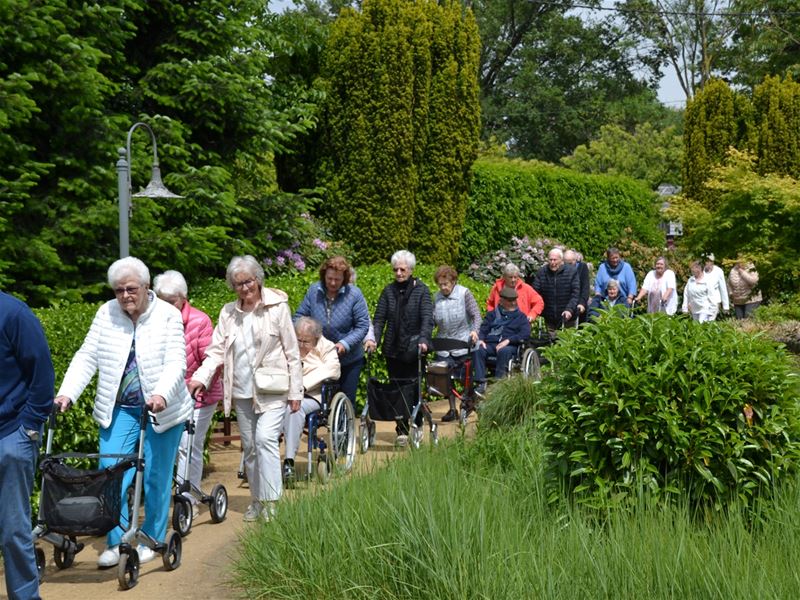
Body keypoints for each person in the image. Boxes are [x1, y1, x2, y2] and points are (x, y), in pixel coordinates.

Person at [54, 257, 192, 568]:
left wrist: (161, 393)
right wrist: (67, 393)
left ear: (146, 287)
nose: (125, 295)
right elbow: (88, 355)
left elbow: (176, 362)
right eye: (119, 290)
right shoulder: (106, 313)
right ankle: (117, 542)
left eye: (131, 289)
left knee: (156, 476)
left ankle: (149, 538)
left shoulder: (167, 315)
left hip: (162, 409)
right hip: (119, 408)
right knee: (111, 474)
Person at [188, 255, 303, 522]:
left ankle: (272, 502)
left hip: (273, 390)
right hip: (241, 392)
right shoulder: (228, 313)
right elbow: (216, 351)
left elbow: (293, 352)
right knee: (250, 448)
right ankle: (257, 499)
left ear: (258, 280)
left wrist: (296, 391)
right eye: (238, 283)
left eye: (248, 281)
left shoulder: (277, 307)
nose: (244, 288)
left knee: (265, 440)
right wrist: (201, 377)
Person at [153, 270, 223, 518]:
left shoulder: (200, 321)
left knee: (188, 445)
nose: (166, 305)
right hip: (169, 394)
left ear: (183, 298)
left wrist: (198, 382)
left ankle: (187, 497)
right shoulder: (154, 321)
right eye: (161, 300)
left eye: (171, 301)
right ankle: (177, 492)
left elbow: (210, 359)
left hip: (199, 394)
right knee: (169, 445)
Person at [0, 292, 54, 600]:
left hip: (11, 434)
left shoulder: (14, 314)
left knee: (12, 529)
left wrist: (29, 426)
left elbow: (42, 372)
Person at [368, 250, 433, 445]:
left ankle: (418, 424)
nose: (398, 273)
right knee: (396, 388)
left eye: (402, 269)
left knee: (413, 389)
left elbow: (427, 319)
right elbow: (379, 319)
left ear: (411, 270)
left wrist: (424, 340)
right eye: (395, 269)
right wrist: (374, 339)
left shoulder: (422, 290)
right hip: (393, 349)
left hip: (414, 349)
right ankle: (402, 430)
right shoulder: (388, 291)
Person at [294, 256, 370, 406]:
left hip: (349, 358)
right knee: (319, 400)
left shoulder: (354, 294)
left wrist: (345, 344)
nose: (333, 283)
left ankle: (346, 428)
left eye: (338, 279)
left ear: (345, 278)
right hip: (321, 357)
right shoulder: (314, 291)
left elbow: (362, 326)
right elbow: (299, 316)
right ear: (324, 276)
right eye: (329, 279)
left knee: (347, 401)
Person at [282, 317, 341, 482]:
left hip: (312, 396)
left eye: (305, 342)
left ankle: (289, 461)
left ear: (316, 339)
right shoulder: (288, 343)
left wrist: (302, 386)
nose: (300, 345)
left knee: (294, 409)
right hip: (283, 393)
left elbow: (334, 370)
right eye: (298, 339)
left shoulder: (326, 347)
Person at [432, 265, 482, 422]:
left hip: (462, 343)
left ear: (453, 281)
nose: (443, 287)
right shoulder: (436, 298)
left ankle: (469, 402)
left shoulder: (464, 293)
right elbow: (432, 321)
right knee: (446, 379)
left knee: (463, 378)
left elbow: (476, 316)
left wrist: (474, 331)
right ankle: (452, 409)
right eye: (440, 284)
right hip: (443, 345)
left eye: (446, 284)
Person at [473, 287, 531, 394]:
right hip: (491, 344)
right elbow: (484, 328)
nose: (513, 303)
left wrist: (509, 340)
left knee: (504, 351)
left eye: (514, 300)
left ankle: (498, 384)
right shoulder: (492, 315)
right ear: (501, 300)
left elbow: (525, 334)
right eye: (510, 300)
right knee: (478, 349)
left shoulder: (521, 317)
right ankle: (480, 383)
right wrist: (480, 340)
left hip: (510, 346)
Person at [532, 247, 580, 339]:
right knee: (551, 343)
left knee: (567, 343)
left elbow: (575, 293)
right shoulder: (542, 272)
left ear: (561, 260)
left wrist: (569, 309)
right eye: (550, 260)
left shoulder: (572, 272)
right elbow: (535, 292)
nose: (553, 263)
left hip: (568, 316)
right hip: (549, 316)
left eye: (555, 260)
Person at [564, 249, 591, 322]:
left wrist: (582, 303)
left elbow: (585, 287)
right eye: (567, 263)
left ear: (575, 260)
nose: (569, 265)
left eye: (571, 262)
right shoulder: (562, 269)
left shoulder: (582, 267)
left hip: (579, 304)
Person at [703, 253, 730, 319]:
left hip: (714, 301)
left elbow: (723, 289)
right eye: (706, 261)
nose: (707, 263)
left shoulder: (718, 271)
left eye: (709, 261)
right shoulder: (701, 271)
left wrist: (726, 306)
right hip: (702, 301)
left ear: (712, 261)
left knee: (709, 321)